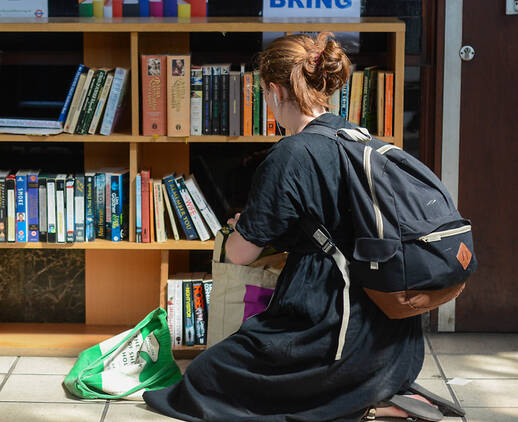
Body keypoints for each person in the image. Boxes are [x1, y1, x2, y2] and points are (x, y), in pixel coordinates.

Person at [142, 32, 432, 421]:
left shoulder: (290, 154)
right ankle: (376, 395)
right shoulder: (358, 138)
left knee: (204, 376)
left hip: (330, 328)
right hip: (396, 343)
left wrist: (243, 228)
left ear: (275, 91)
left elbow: (240, 254)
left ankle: (359, 404)